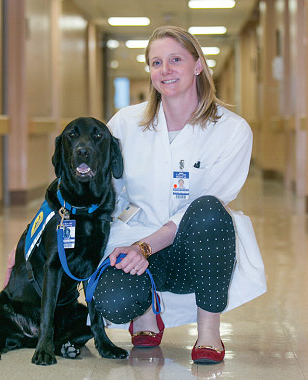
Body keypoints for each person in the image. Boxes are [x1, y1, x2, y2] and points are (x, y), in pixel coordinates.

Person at [92, 25, 266, 364]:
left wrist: (146, 246)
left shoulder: (231, 130)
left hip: (196, 251)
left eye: (175, 59)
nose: (165, 70)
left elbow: (201, 211)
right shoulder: (125, 124)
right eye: (156, 63)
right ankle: (145, 313)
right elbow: (92, 191)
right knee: (112, 299)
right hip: (133, 244)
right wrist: (32, 239)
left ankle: (209, 333)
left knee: (209, 210)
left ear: (198, 65)